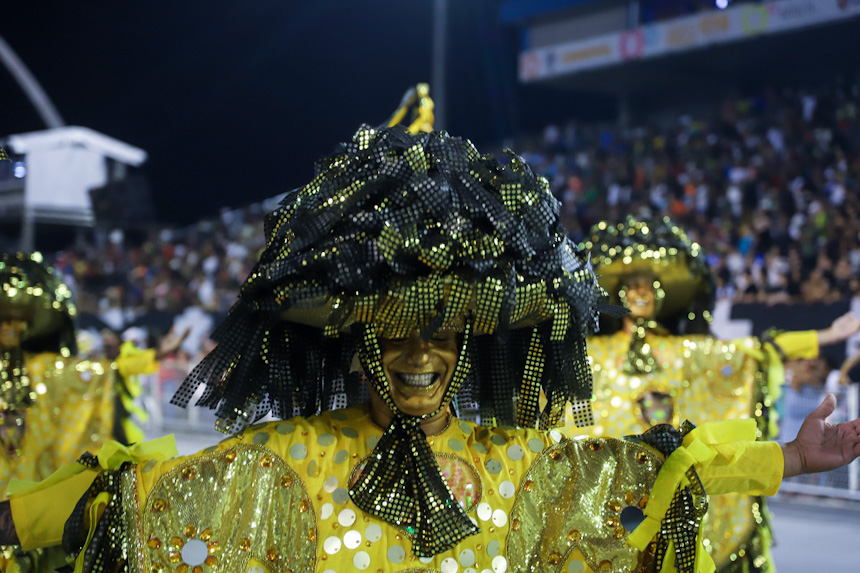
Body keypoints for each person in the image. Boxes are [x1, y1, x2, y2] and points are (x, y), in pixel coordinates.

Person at [1, 122, 859, 573]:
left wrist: (787, 456)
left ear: (470, 342)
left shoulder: (523, 464)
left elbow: (653, 471)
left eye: (442, 331)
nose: (419, 353)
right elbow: (129, 498)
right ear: (353, 338)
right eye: (394, 330)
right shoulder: (284, 460)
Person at [581, 215, 860, 572]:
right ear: (617, 295)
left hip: (674, 493)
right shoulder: (590, 355)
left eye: (648, 287)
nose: (640, 294)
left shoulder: (689, 352)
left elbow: (755, 351)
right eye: (631, 287)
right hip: (603, 499)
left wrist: (825, 336)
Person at [0, 252, 162, 572]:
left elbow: (103, 371)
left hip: (28, 512)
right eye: (4, 320)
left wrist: (148, 358)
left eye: (17, 321)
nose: (11, 328)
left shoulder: (49, 371)